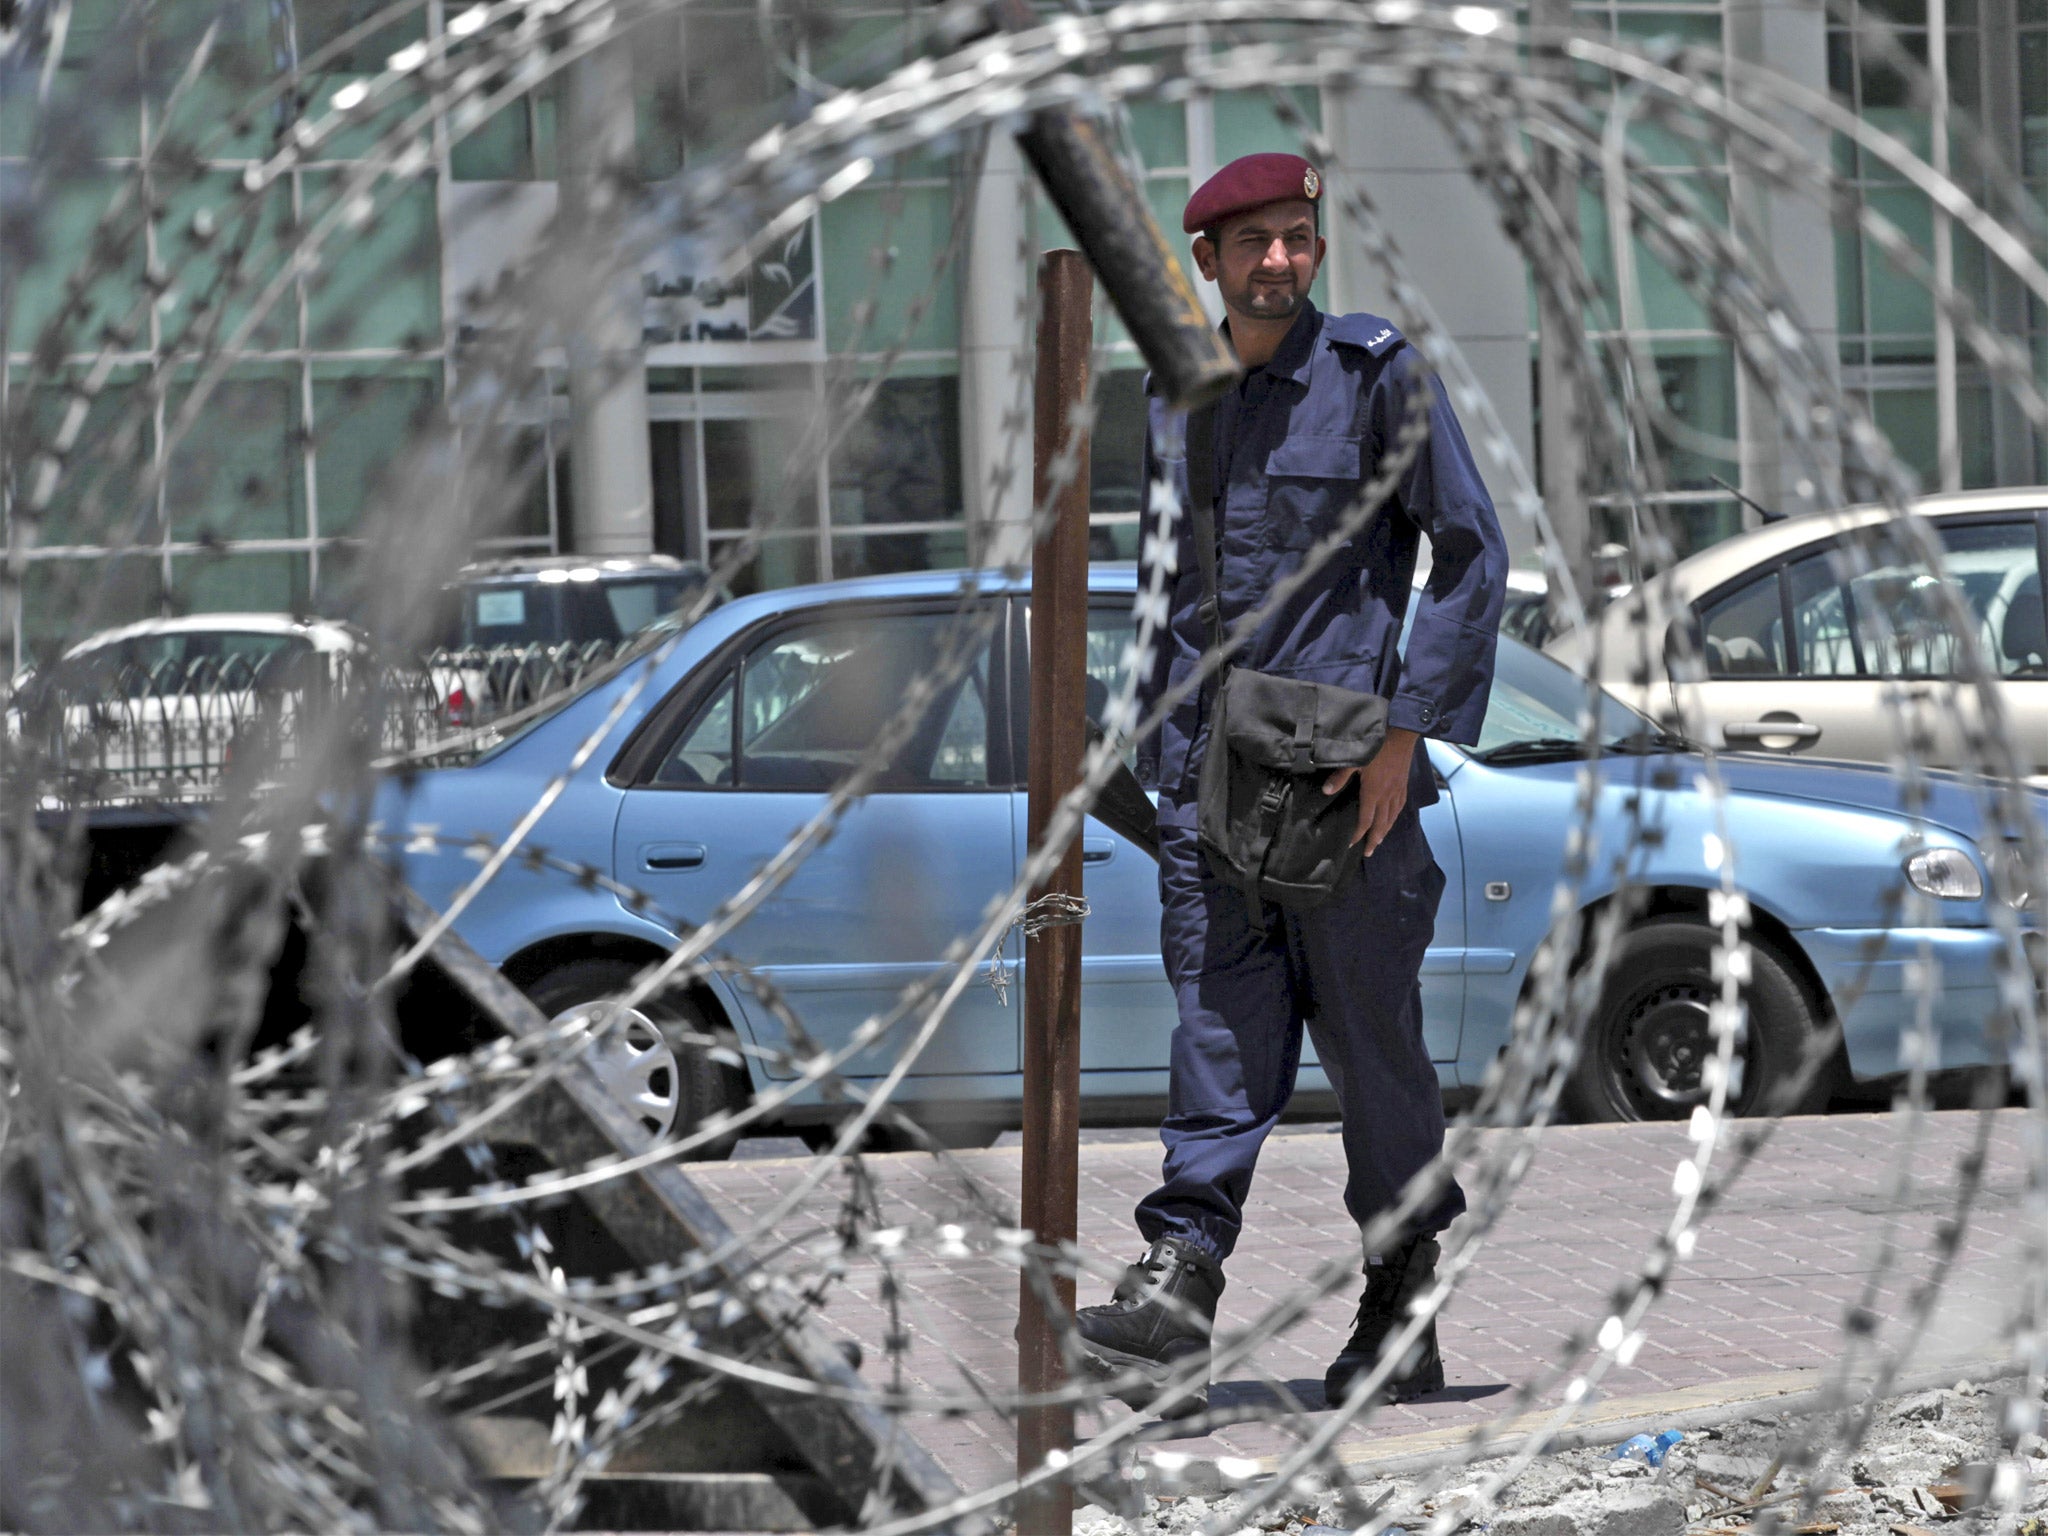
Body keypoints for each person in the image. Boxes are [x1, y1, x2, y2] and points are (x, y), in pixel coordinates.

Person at [1075, 152, 1508, 1411]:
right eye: (1251, 241)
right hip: (1209, 791)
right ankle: (1176, 1289)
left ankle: (1401, 1299)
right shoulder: (1178, 396)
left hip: (1344, 797)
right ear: (1203, 261)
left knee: (1375, 1065)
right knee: (1217, 1035)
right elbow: (1168, 604)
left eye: (1296, 236)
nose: (1279, 258)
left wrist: (1401, 736)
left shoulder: (1376, 376)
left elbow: (1470, 552)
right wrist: (1147, 761)